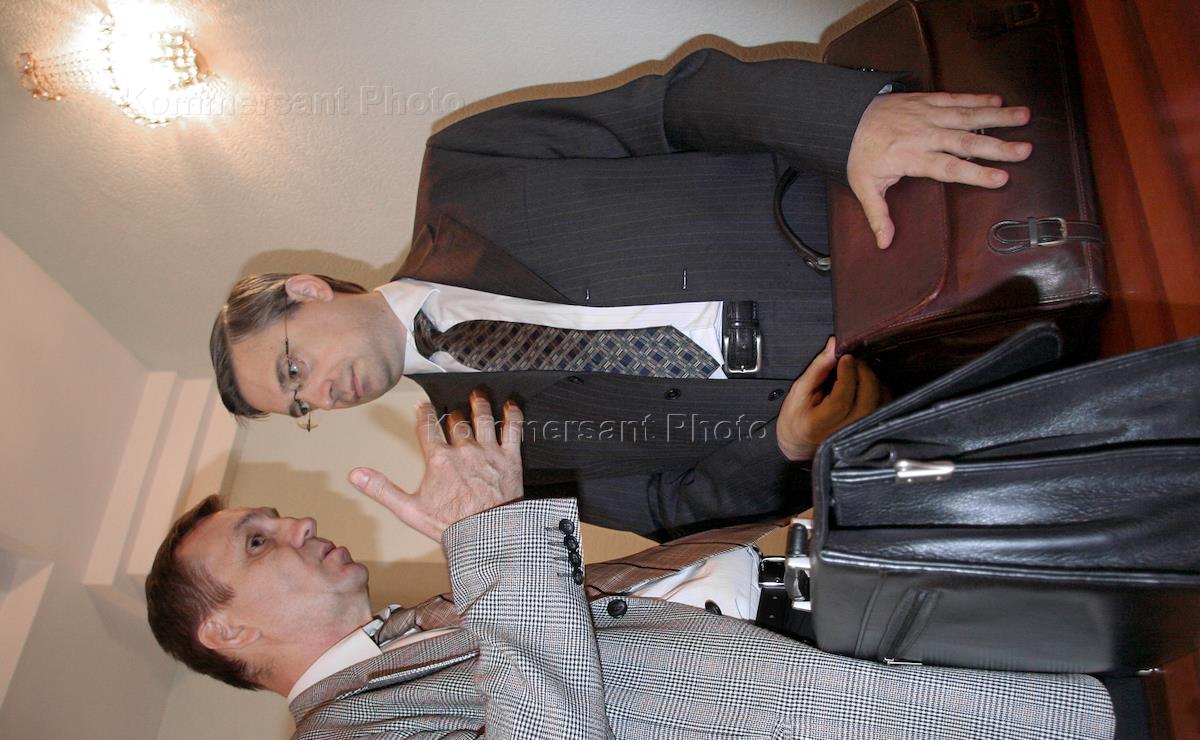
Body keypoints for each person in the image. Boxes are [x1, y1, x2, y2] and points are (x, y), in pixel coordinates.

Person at [146, 393, 1114, 740]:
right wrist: (492, 538)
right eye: (259, 542)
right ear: (226, 633)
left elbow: (648, 601)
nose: (298, 525)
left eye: (273, 518)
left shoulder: (425, 624)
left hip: (897, 627)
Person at [208, 47, 1034, 540]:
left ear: (306, 291)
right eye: (302, 407)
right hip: (929, 401)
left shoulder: (469, 166)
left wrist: (844, 123)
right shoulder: (489, 463)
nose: (323, 394)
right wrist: (782, 445)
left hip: (905, 211)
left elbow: (677, 107)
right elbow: (673, 508)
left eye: (294, 369)